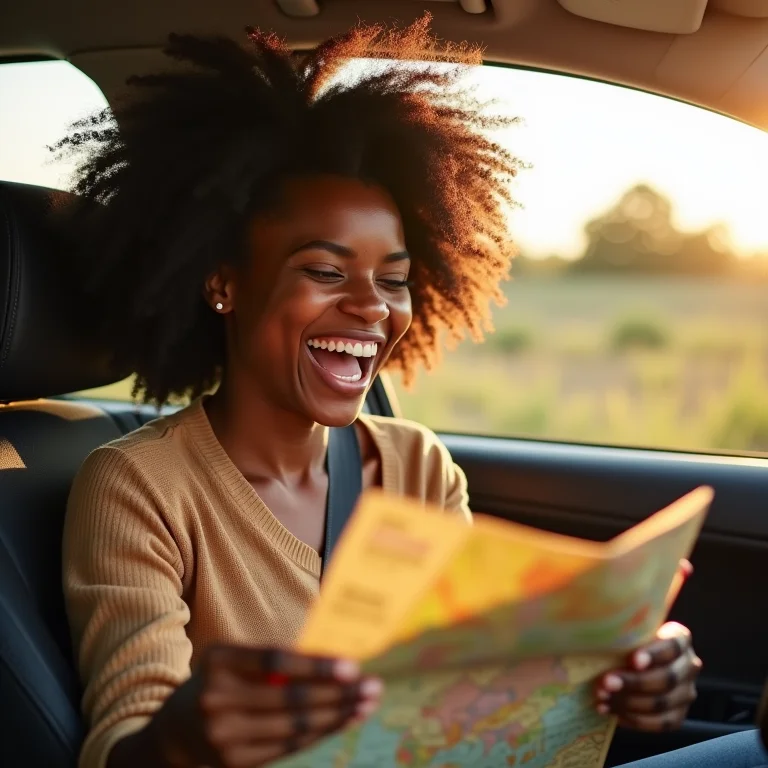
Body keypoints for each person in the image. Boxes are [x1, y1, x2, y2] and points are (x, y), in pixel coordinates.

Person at [57, 15, 767, 768]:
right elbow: (122, 743)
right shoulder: (138, 486)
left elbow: (475, 700)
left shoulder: (415, 466)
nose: (372, 308)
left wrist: (617, 682)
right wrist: (183, 738)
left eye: (393, 280)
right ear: (224, 283)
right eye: (325, 272)